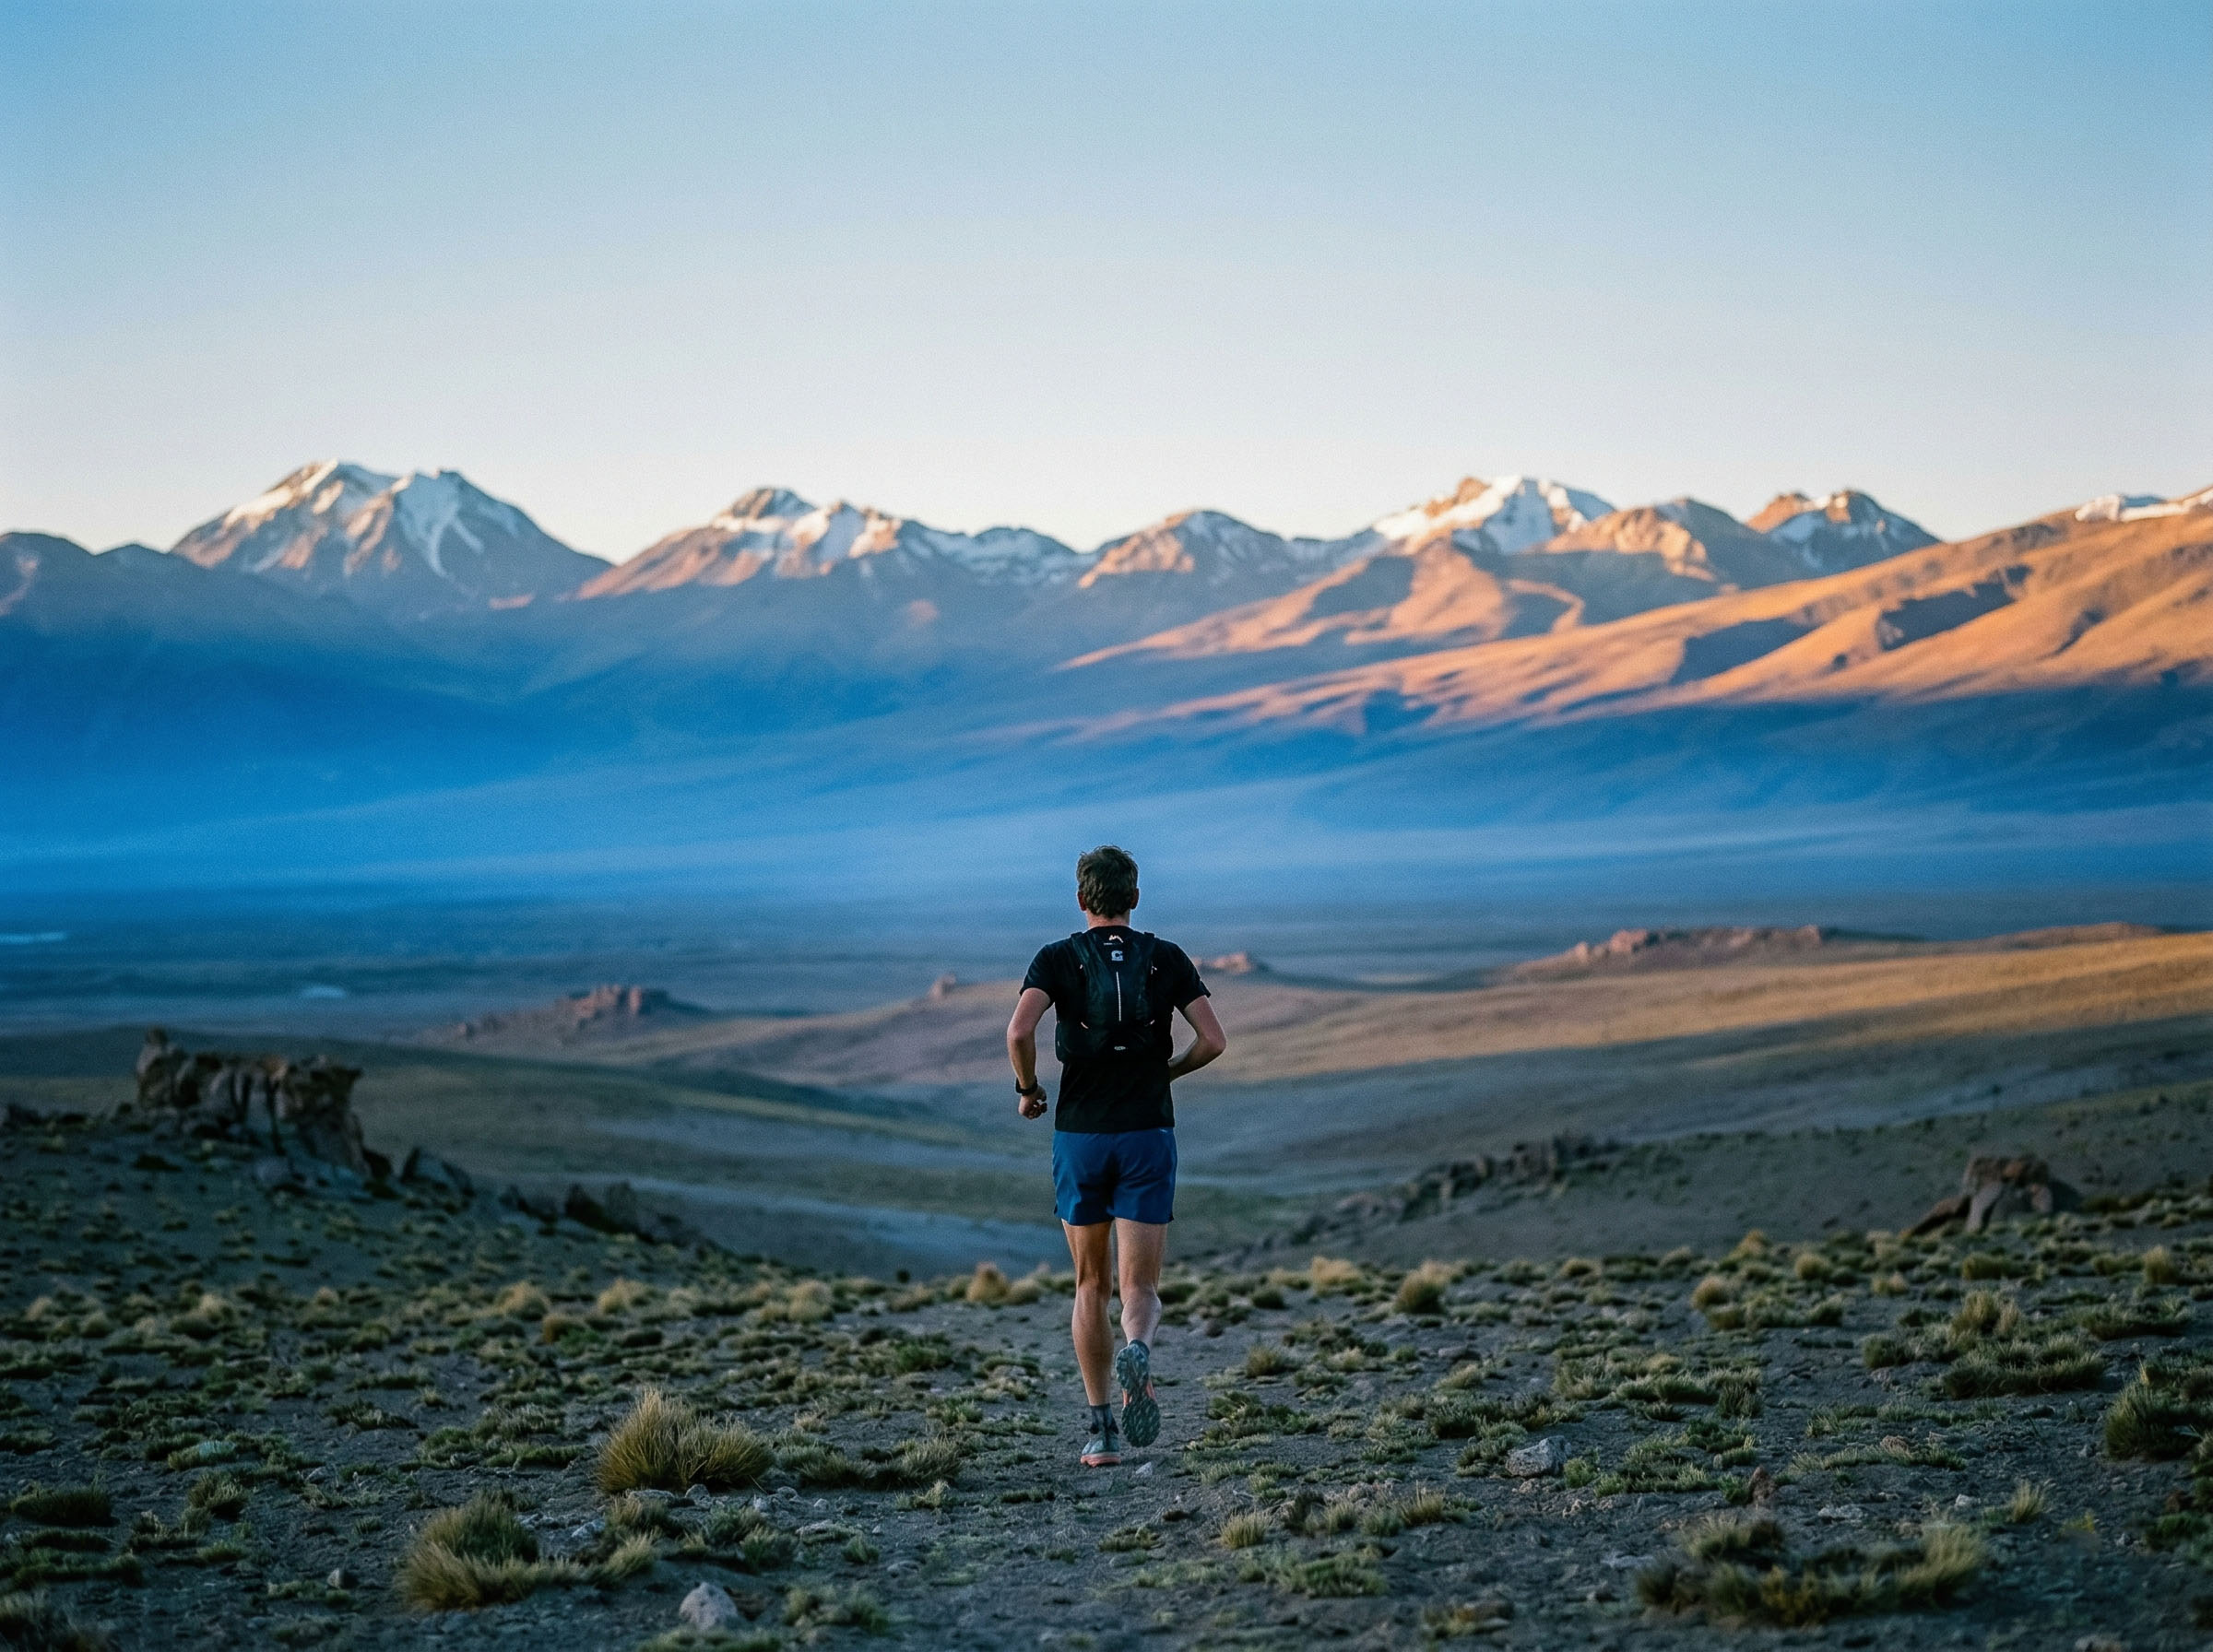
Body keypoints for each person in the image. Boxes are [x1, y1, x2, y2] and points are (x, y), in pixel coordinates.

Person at [1007, 845, 1226, 1469]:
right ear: (1134, 898)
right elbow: (1213, 1040)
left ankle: (1101, 1431)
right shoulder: (1166, 957)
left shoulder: (1057, 958)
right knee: (1141, 1286)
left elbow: (1019, 1032)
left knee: (1089, 1284)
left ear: (1081, 900)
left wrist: (1028, 1091)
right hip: (1146, 1132)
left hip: (1081, 1135)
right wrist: (1168, 1074)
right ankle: (1139, 1347)